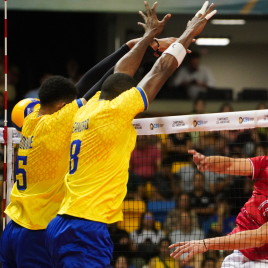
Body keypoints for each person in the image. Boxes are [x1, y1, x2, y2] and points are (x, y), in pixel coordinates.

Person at [45, 2, 217, 267]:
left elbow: (121, 72)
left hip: (61, 222)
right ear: (124, 97)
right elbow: (160, 71)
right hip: (87, 226)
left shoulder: (86, 109)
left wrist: (149, 37)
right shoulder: (115, 111)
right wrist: (189, 32)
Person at [0, 18, 178, 268]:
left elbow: (79, 87)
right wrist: (134, 47)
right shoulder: (57, 124)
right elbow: (90, 86)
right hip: (37, 229)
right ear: (62, 106)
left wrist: (131, 47)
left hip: (12, 228)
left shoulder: (30, 121)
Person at [170, 130, 268, 268]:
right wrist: (208, 162)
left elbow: (260, 237)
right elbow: (230, 165)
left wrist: (206, 244)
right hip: (239, 253)